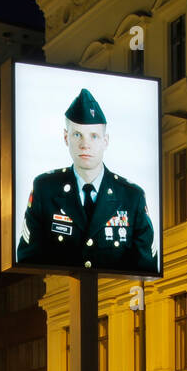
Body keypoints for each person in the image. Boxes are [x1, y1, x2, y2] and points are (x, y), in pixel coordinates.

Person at [16, 88, 157, 273]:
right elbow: (28, 260)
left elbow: (145, 267)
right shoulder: (45, 189)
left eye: (94, 136)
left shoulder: (131, 197)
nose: (85, 144)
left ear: (105, 141)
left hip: (116, 298)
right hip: (61, 298)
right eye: (77, 135)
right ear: (66, 138)